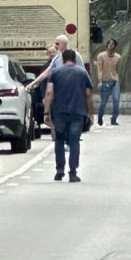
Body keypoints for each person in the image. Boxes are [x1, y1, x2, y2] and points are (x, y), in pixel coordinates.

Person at [43, 49, 93, 182]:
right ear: (75, 59)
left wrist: (46, 112)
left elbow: (49, 93)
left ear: (63, 59)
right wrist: (90, 112)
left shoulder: (56, 72)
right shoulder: (82, 72)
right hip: (78, 112)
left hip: (59, 112)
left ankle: (59, 170)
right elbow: (88, 94)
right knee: (74, 142)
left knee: (59, 140)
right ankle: (73, 172)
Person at [95, 38, 122, 126]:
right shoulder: (101, 56)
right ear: (107, 45)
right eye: (110, 44)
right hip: (105, 81)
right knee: (104, 101)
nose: (111, 46)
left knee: (116, 99)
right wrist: (100, 81)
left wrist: (116, 76)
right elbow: (99, 69)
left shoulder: (118, 57)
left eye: (113, 44)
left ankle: (114, 118)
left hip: (115, 81)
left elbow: (118, 69)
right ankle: (100, 117)